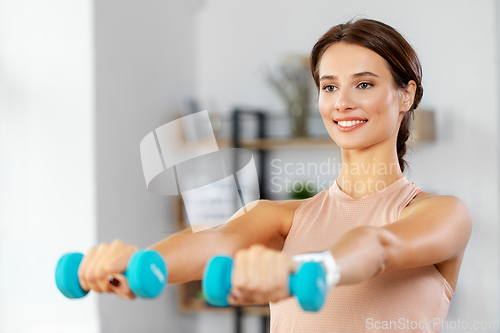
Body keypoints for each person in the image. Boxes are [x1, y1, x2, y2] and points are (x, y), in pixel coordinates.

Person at [77, 18, 472, 332]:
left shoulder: (441, 214)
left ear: (406, 95)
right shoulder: (283, 219)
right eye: (329, 86)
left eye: (364, 84)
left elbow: (379, 246)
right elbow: (215, 243)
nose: (343, 102)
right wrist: (136, 266)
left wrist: (307, 269)